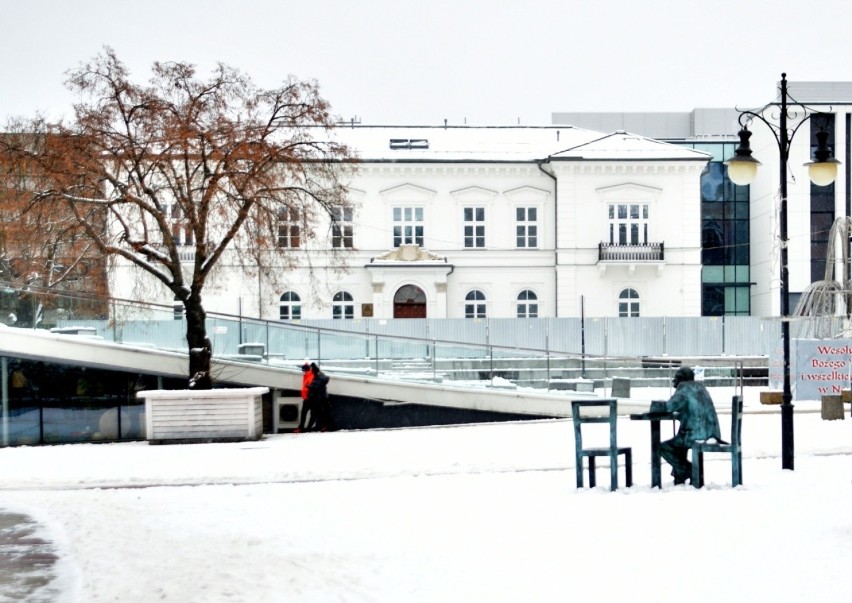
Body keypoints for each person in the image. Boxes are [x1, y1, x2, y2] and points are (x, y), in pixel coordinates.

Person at [661, 366, 721, 485]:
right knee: (678, 441)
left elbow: (669, 407)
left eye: (676, 379)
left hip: (696, 435)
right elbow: (695, 410)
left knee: (663, 447)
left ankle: (690, 471)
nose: (675, 382)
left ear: (681, 379)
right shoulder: (700, 387)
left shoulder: (684, 388)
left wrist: (656, 406)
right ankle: (680, 476)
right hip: (711, 433)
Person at [305, 362, 331, 432]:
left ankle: (312, 427)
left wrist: (309, 386)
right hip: (321, 399)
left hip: (318, 399)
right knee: (320, 414)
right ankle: (319, 427)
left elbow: (315, 386)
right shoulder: (320, 377)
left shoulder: (318, 377)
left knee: (315, 414)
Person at [295, 360, 314, 433]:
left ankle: (304, 427)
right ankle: (306, 427)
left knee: (305, 413)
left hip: (309, 398)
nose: (303, 372)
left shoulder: (309, 376)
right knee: (307, 413)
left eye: (304, 371)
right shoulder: (307, 375)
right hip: (308, 398)